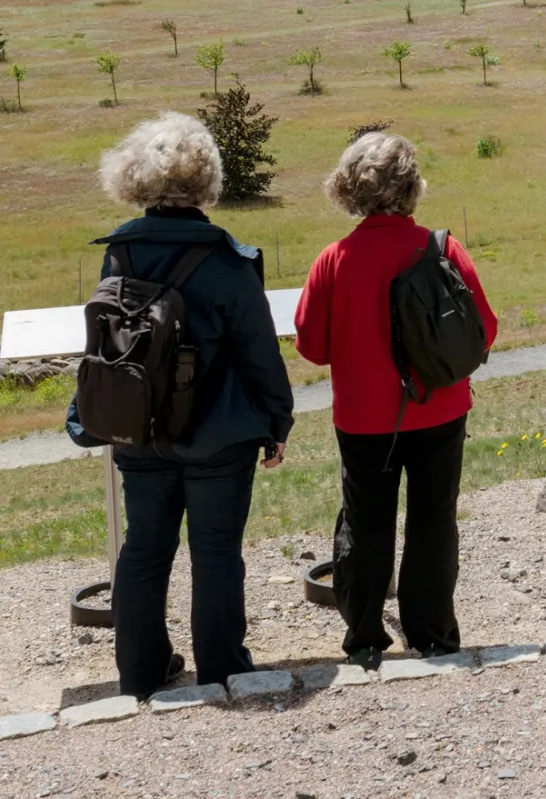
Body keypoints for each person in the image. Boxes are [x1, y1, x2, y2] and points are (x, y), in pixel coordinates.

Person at [66, 113, 293, 698]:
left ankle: (140, 673)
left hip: (137, 431)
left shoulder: (119, 254)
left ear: (137, 178)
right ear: (208, 182)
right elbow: (259, 355)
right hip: (220, 436)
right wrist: (277, 422)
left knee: (144, 549)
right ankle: (221, 668)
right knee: (216, 552)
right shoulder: (229, 261)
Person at [295, 132, 497, 667]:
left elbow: (311, 347)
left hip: (363, 419)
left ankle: (363, 637)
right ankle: (432, 634)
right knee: (434, 520)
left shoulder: (332, 260)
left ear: (349, 191)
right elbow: (485, 331)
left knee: (365, 523)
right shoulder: (443, 250)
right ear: (412, 187)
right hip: (441, 408)